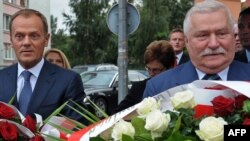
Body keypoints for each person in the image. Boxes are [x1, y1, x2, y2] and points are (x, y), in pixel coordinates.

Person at [143, 0, 250, 98]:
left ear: (233, 36)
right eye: (203, 35)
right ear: (187, 41)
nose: (213, 44)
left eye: (221, 33)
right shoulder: (159, 87)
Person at [0, 9, 87, 123]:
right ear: (11, 40)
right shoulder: (1, 78)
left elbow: (77, 128)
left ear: (46, 39)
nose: (26, 42)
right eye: (19, 36)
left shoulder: (68, 81)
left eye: (34, 36)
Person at [112, 40, 176, 113]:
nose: (151, 74)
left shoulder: (180, 88)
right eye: (148, 69)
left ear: (169, 68)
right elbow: (117, 115)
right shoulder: (138, 88)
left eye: (156, 70)